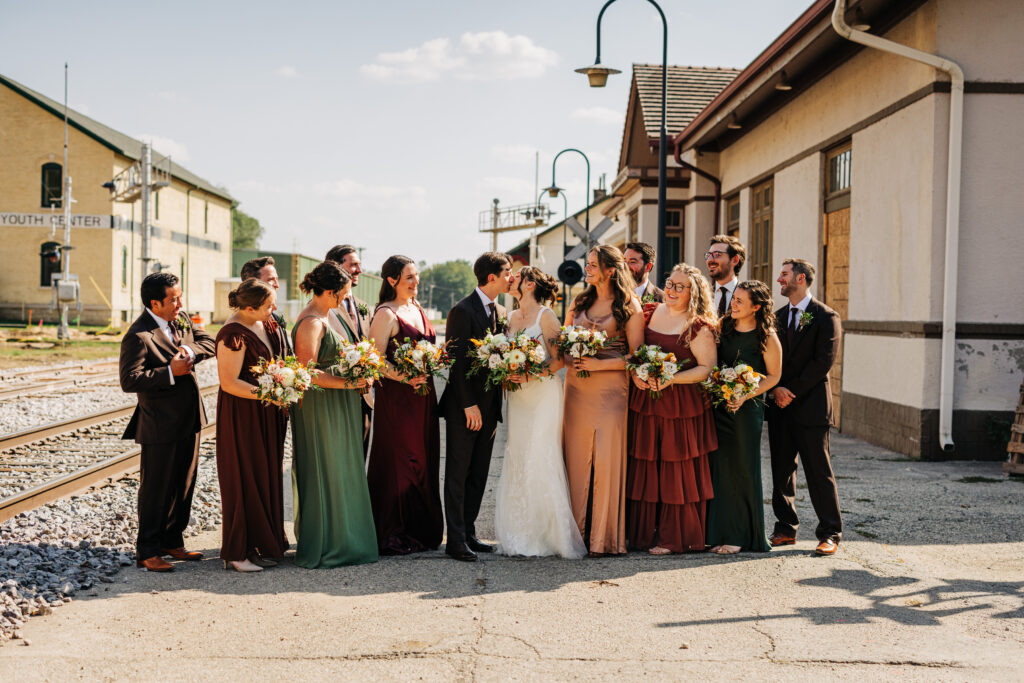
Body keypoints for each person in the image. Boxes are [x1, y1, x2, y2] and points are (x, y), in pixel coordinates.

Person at [118, 272, 216, 572]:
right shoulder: (138, 335)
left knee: (184, 483)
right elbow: (129, 380)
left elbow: (208, 341)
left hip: (190, 417)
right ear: (155, 302)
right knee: (156, 488)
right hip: (159, 424)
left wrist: (190, 351)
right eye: (173, 299)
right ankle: (148, 550)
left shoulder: (181, 319)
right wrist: (170, 372)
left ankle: (173, 540)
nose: (180, 303)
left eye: (180, 296)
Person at [290, 262, 378, 568]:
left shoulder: (327, 315)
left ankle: (344, 538)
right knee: (326, 468)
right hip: (320, 407)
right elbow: (306, 373)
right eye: (341, 294)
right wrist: (350, 381)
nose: (343, 299)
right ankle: (327, 542)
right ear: (328, 291)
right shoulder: (312, 322)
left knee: (340, 468)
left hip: (336, 404)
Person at [494, 266, 586, 559]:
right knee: (519, 454)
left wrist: (530, 375)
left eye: (516, 277)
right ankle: (521, 532)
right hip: (518, 398)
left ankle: (548, 535)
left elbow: (560, 360)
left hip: (543, 394)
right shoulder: (509, 317)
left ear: (530, 284)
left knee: (539, 454)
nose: (510, 280)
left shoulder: (546, 316)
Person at [626, 264, 717, 554]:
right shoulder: (651, 311)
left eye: (680, 286)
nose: (672, 290)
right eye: (670, 283)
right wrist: (636, 375)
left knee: (674, 469)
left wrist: (670, 380)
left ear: (694, 292)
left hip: (680, 406)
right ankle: (642, 534)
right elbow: (636, 352)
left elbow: (706, 369)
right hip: (647, 402)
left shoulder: (698, 326)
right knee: (646, 467)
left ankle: (674, 536)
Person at [563, 245, 644, 556]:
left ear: (612, 270)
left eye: (594, 264)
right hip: (576, 388)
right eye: (588, 264)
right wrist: (571, 356)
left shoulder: (629, 306)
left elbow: (637, 357)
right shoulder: (579, 301)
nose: (589, 268)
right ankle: (573, 535)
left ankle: (604, 538)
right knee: (574, 459)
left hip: (611, 387)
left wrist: (600, 364)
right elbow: (564, 342)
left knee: (607, 460)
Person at [366, 255, 444, 555]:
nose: (416, 282)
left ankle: (420, 529)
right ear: (391, 280)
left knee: (423, 458)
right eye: (409, 277)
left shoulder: (417, 308)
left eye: (417, 276)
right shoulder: (386, 314)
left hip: (423, 396)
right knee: (401, 460)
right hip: (398, 399)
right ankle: (393, 532)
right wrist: (403, 376)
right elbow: (373, 359)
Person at [767, 259, 844, 556]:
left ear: (800, 278)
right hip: (779, 407)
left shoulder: (825, 316)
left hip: (810, 407)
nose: (779, 280)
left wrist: (791, 391)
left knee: (818, 472)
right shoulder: (778, 316)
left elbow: (822, 362)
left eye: (784, 275)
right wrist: (775, 389)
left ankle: (830, 533)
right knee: (782, 471)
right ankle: (786, 528)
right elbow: (769, 359)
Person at [439, 252, 512, 562]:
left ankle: (469, 533)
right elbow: (454, 364)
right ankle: (454, 541)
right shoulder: (462, 310)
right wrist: (469, 405)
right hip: (464, 409)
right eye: (508, 272)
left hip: (490, 407)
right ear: (492, 277)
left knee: (479, 473)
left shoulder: (501, 311)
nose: (512, 277)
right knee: (458, 473)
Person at [214, 278, 289, 572]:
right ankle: (236, 552)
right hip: (243, 416)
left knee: (264, 474)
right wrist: (269, 393)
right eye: (269, 305)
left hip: (266, 412)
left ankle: (260, 543)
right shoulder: (232, 335)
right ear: (248, 307)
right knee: (243, 477)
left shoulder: (264, 323)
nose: (274, 309)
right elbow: (229, 382)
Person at [706, 281, 782, 555]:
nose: (733, 304)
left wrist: (744, 395)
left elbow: (774, 376)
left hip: (746, 410)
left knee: (742, 469)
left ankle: (740, 534)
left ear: (756, 307)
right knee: (719, 468)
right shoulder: (723, 327)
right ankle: (717, 532)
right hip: (719, 405)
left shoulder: (766, 335)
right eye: (733, 299)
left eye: (740, 301)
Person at [325, 244, 372, 455]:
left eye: (359, 265)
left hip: (365, 394)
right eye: (353, 265)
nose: (359, 270)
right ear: (336, 267)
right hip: (335, 393)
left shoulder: (363, 306)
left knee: (361, 453)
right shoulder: (322, 306)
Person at [241, 255, 292, 354]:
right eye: (271, 280)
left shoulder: (276, 320)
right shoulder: (238, 328)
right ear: (252, 282)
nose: (277, 285)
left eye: (277, 279)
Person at [705, 235, 745, 319]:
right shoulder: (703, 296)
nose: (710, 260)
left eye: (717, 254)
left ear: (735, 260)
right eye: (708, 255)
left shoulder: (747, 297)